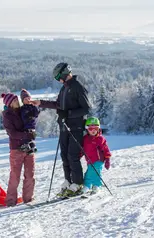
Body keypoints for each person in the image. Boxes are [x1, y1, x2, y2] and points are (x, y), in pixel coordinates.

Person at [30, 62, 91, 196]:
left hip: (76, 127)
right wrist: (41, 102)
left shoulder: (77, 87)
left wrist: (68, 114)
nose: (58, 80)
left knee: (72, 156)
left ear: (63, 74)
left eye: (58, 77)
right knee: (64, 156)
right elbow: (58, 105)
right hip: (64, 127)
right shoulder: (64, 88)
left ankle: (77, 184)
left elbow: (86, 108)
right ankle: (68, 182)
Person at [1, 92, 36, 206]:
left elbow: (32, 117)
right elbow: (12, 133)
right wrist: (26, 135)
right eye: (14, 101)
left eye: (17, 100)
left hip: (28, 146)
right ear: (9, 104)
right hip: (16, 149)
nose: (17, 102)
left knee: (30, 174)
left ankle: (28, 199)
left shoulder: (22, 110)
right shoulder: (7, 116)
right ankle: (11, 201)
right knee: (15, 176)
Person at [81, 117, 111, 194]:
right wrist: (78, 155)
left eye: (95, 128)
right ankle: (93, 185)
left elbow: (106, 149)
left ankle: (91, 186)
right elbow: (83, 149)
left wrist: (107, 159)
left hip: (98, 160)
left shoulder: (100, 139)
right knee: (90, 172)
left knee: (92, 173)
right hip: (89, 160)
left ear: (98, 128)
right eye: (91, 128)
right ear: (87, 129)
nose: (93, 131)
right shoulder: (85, 139)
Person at [19, 88, 40, 154]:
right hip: (26, 126)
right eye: (25, 99)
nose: (28, 100)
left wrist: (35, 106)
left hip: (32, 126)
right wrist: (30, 115)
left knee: (31, 137)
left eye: (29, 98)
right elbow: (24, 117)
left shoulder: (32, 106)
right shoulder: (23, 108)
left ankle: (30, 148)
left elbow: (36, 114)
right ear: (22, 101)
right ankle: (29, 147)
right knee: (28, 138)